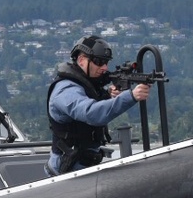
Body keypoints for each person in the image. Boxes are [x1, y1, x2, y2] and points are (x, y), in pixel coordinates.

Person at [46, 35, 150, 175]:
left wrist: (108, 95)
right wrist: (131, 96)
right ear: (81, 60)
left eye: (106, 62)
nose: (104, 68)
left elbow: (90, 99)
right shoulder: (65, 90)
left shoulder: (85, 85)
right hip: (67, 170)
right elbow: (91, 113)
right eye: (99, 62)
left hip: (84, 165)